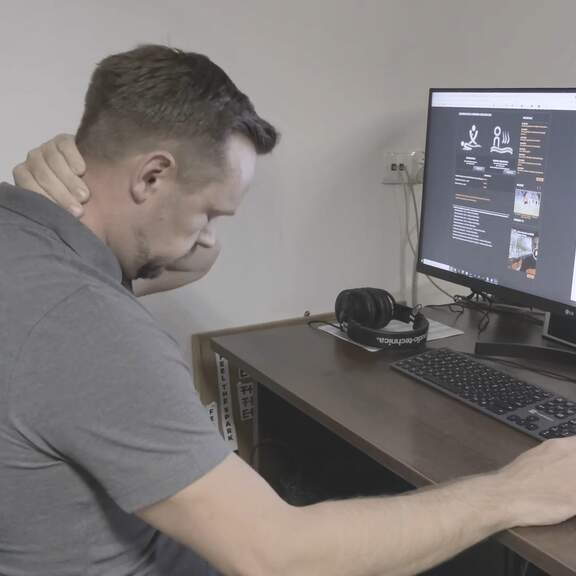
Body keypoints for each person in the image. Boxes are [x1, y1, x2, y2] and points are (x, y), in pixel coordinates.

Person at [7, 44, 576, 576]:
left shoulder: (25, 241)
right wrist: (512, 492)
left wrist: (94, 180)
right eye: (210, 213)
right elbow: (278, 557)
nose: (206, 240)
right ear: (152, 175)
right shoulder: (88, 323)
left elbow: (182, 258)